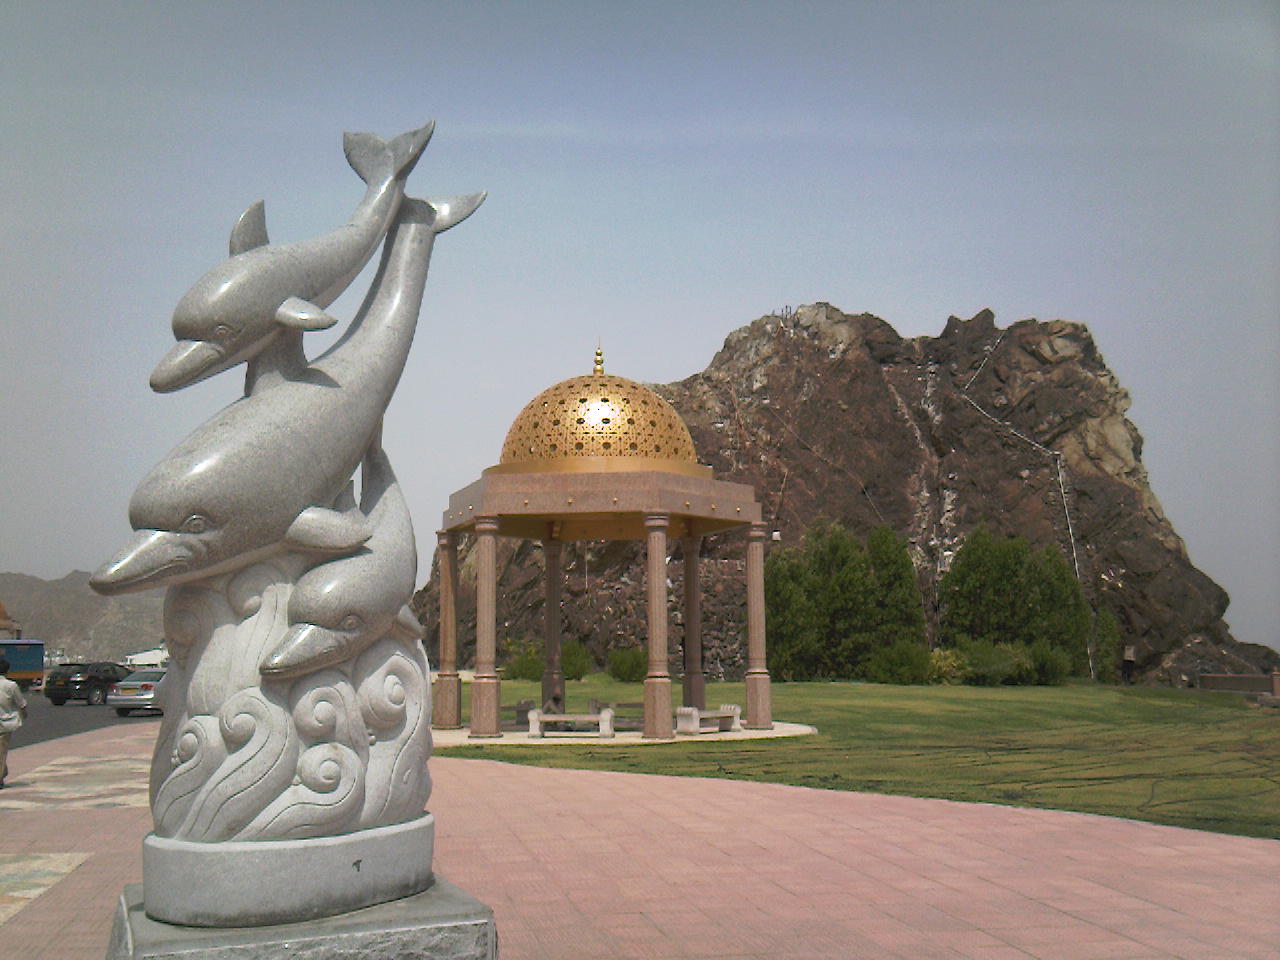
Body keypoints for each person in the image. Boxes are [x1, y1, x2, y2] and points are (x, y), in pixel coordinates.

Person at [0, 656, 29, 789]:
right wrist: (24, 715)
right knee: (1, 751)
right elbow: (21, 704)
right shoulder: (11, 686)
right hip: (5, 724)